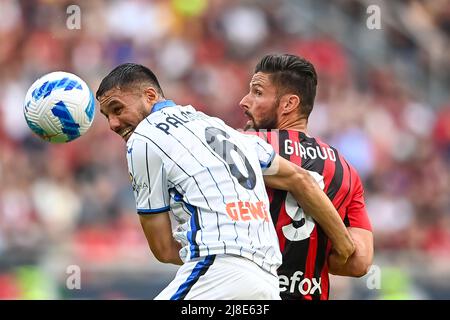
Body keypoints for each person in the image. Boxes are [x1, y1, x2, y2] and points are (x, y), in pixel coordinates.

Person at [96, 63, 354, 300]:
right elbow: (300, 178)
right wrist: (343, 243)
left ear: (150, 96)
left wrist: (202, 245)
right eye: (107, 115)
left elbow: (163, 249)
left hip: (218, 271)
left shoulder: (145, 138)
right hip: (265, 282)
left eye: (117, 109)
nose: (113, 123)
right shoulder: (224, 130)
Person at [239, 54, 373, 300]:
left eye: (257, 93)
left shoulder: (245, 146)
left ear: (289, 104)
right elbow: (360, 263)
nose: (244, 101)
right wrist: (320, 255)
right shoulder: (347, 171)